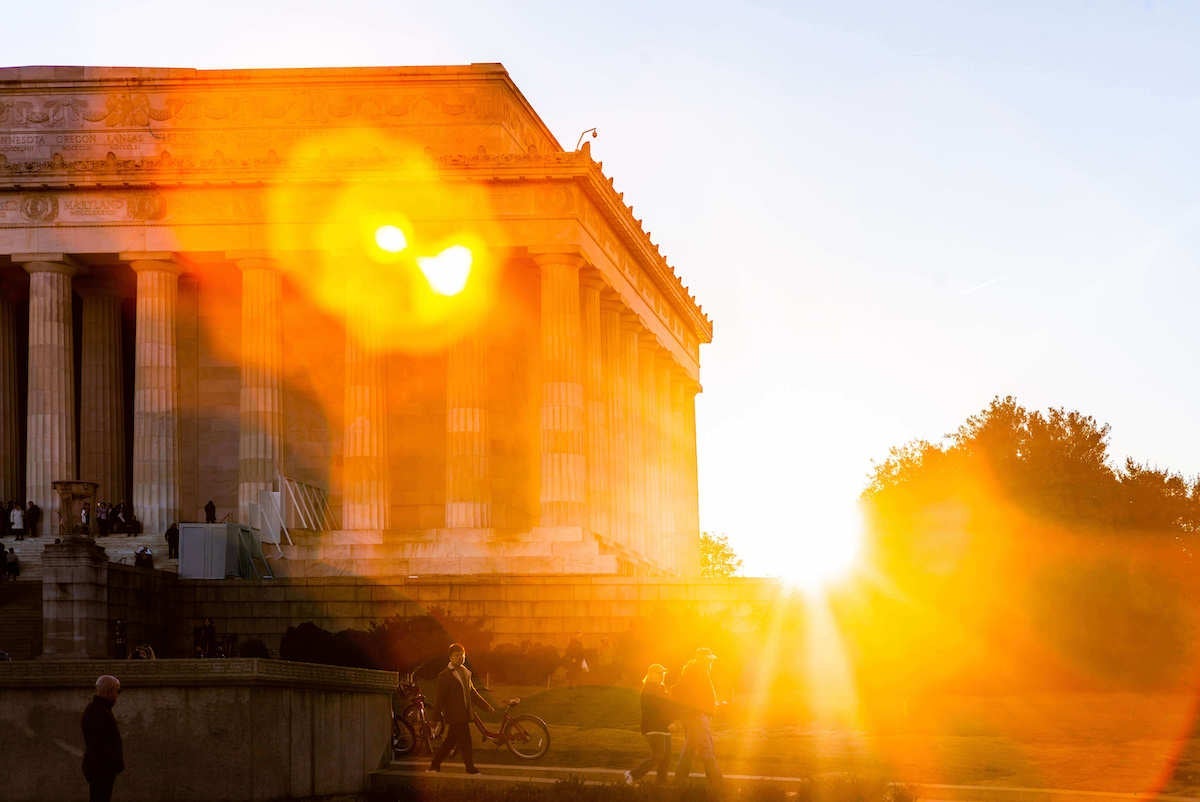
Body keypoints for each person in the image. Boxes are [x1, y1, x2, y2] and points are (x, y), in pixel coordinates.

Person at [428, 642, 493, 774]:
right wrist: (435, 718)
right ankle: (470, 768)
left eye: (462, 655)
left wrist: (486, 706)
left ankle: (434, 765)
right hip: (454, 715)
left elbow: (472, 693)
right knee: (466, 741)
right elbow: (440, 699)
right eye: (457, 655)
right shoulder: (444, 676)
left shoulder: (465, 672)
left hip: (464, 714)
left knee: (449, 742)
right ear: (450, 657)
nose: (460, 658)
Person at [672, 647, 723, 788]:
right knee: (706, 747)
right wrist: (702, 708)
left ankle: (679, 780)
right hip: (697, 716)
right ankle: (716, 781)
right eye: (709, 660)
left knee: (689, 748)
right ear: (703, 660)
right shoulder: (698, 671)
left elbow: (698, 694)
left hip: (695, 715)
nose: (711, 663)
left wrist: (713, 704)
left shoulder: (696, 671)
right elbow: (694, 695)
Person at [624, 663, 675, 785]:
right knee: (658, 755)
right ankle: (632, 775)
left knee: (666, 757)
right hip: (654, 727)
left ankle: (661, 781)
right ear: (652, 675)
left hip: (663, 727)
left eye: (662, 673)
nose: (662, 676)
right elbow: (658, 709)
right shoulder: (650, 689)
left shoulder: (659, 688)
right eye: (659, 673)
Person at [81, 674, 124, 802]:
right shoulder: (99, 712)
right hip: (101, 768)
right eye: (117, 691)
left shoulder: (97, 709)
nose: (117, 695)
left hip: (100, 767)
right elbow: (99, 744)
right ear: (109, 691)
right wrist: (113, 762)